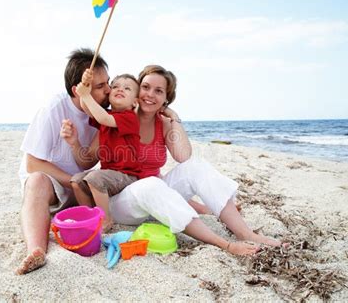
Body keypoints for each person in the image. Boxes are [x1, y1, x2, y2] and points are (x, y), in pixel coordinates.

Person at [82, 65, 283, 255]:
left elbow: (183, 157)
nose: (150, 94)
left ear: (165, 99)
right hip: (123, 203)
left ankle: (244, 232)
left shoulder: (164, 124)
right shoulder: (114, 119)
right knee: (150, 184)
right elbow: (87, 159)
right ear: (136, 91)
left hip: (157, 199)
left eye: (159, 91)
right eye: (145, 87)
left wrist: (175, 119)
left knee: (194, 166)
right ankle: (224, 244)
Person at [15, 48, 111, 275]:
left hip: (78, 186)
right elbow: (32, 164)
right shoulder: (53, 109)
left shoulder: (104, 114)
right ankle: (36, 250)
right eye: (100, 86)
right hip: (52, 183)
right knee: (37, 180)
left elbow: (88, 163)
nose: (108, 90)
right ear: (78, 90)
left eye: (108, 82)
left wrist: (76, 145)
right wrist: (72, 181)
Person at [61, 70, 141, 232]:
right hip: (109, 174)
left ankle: (105, 220)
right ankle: (90, 217)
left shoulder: (130, 117)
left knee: (94, 178)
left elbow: (102, 118)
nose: (120, 89)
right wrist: (86, 87)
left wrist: (86, 95)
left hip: (128, 175)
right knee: (76, 181)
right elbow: (88, 108)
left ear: (135, 102)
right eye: (116, 86)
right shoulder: (106, 114)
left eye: (127, 89)